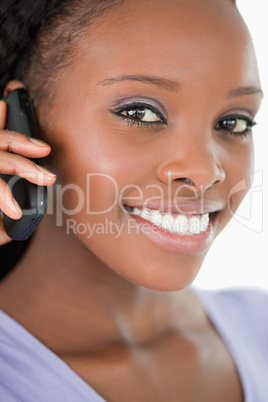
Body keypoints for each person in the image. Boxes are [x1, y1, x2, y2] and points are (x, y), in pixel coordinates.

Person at [0, 0, 267, 400]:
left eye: (233, 123)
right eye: (140, 113)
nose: (205, 170)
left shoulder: (259, 326)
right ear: (23, 118)